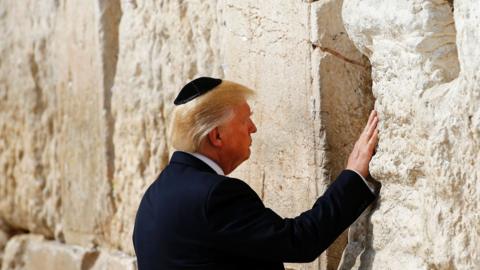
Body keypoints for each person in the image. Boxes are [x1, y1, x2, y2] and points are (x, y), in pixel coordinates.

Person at [133, 77, 380, 270]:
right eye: (245, 120)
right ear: (217, 136)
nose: (253, 128)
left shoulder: (155, 195)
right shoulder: (216, 196)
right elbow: (300, 242)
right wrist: (354, 175)